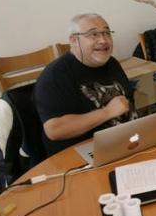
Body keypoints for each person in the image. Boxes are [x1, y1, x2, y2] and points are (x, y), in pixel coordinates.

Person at [35, 13, 135, 156]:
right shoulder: (54, 76)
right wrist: (107, 112)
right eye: (93, 34)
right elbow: (54, 130)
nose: (103, 40)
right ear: (74, 40)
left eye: (107, 33)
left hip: (124, 143)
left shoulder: (112, 63)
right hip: (80, 156)